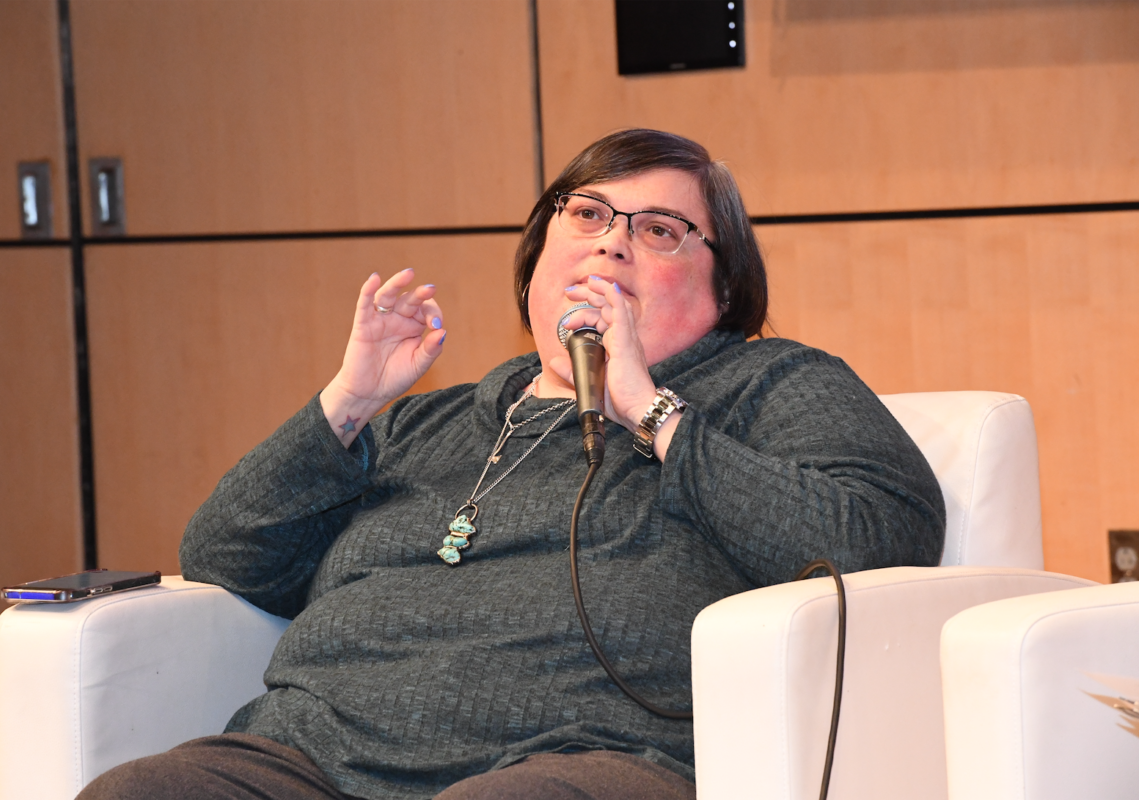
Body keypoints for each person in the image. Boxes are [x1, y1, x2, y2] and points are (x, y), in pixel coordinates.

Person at [80, 129, 944, 800]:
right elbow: (225, 557)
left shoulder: (766, 384)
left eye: (660, 231)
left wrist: (648, 407)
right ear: (536, 262)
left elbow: (879, 537)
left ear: (723, 291)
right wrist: (347, 401)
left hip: (582, 766)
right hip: (314, 763)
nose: (612, 245)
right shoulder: (431, 420)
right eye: (588, 215)